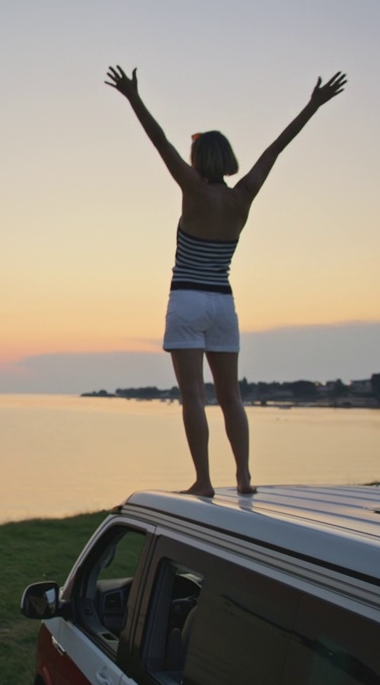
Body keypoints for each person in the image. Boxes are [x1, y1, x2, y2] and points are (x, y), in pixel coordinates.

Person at [105, 65, 346, 497]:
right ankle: (244, 477)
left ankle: (203, 481)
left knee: (194, 397)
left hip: (188, 301)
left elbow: (159, 142)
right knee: (231, 397)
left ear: (198, 161)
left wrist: (133, 97)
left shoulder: (193, 191)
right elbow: (276, 149)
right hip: (224, 306)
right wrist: (313, 105)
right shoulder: (243, 195)